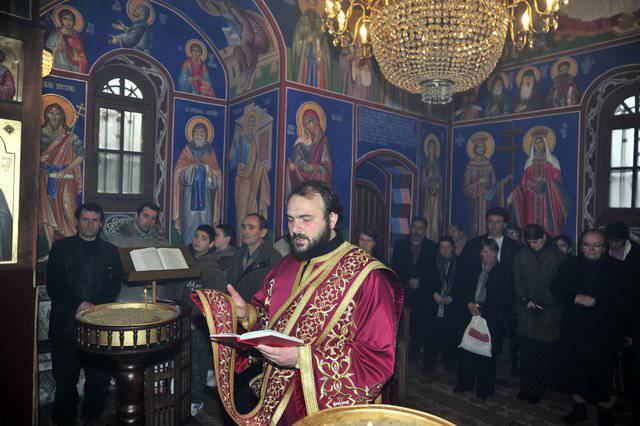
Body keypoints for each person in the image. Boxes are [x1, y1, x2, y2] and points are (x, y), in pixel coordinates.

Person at [192, 180, 403, 424]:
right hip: (274, 396)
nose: (295, 229)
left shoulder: (368, 277)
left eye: (306, 219)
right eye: (291, 219)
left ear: (331, 220)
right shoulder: (287, 264)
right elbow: (268, 318)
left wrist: (301, 358)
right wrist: (245, 314)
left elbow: (376, 360)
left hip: (324, 410)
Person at [46, 203, 121, 425]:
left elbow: (113, 285)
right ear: (77, 222)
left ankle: (92, 417)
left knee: (99, 381)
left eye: (95, 220)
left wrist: (93, 305)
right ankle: (64, 420)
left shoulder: (110, 251)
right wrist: (79, 303)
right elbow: (55, 284)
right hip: (65, 324)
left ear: (101, 224)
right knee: (65, 381)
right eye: (86, 219)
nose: (90, 224)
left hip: (98, 325)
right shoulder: (60, 248)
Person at [551, 229, 627, 425]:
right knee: (577, 371)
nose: (591, 249)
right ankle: (579, 409)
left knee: (604, 374)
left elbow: (627, 301)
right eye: (587, 244)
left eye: (596, 245)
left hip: (605, 332)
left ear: (604, 247)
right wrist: (575, 297)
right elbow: (556, 287)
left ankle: (604, 413)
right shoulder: (570, 264)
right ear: (581, 246)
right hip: (576, 329)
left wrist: (626, 332)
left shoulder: (618, 268)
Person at [165, 224, 224, 416]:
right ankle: (177, 391)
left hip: (197, 323)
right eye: (196, 236)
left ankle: (196, 400)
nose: (198, 240)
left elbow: (214, 298)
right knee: (178, 357)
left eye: (204, 238)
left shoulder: (213, 268)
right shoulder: (184, 259)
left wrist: (198, 319)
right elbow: (174, 286)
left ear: (211, 244)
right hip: (179, 317)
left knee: (197, 362)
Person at [453, 238, 513, 400]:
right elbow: (459, 288)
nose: (489, 256)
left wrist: (483, 309)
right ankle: (465, 383)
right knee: (467, 350)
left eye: (492, 252)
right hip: (469, 314)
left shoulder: (504, 271)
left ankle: (484, 389)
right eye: (485, 252)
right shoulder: (470, 267)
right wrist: (468, 304)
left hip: (492, 318)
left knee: (487, 354)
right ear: (480, 253)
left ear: (497, 253)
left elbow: (505, 297)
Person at [513, 224, 565, 404]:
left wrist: (543, 302)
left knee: (542, 356)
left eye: (536, 241)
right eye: (529, 242)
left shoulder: (557, 256)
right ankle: (526, 387)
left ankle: (538, 389)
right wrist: (524, 299)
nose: (532, 245)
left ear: (544, 237)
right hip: (526, 311)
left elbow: (559, 284)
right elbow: (517, 280)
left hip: (548, 313)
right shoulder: (522, 254)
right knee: (526, 354)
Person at [604, 221, 640, 424]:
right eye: (610, 240)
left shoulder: (636, 255)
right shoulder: (603, 253)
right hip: (609, 318)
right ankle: (612, 400)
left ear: (625, 239)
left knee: (632, 365)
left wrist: (632, 331)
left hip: (633, 319)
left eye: (617, 241)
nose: (613, 244)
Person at [39, 102, 84, 252]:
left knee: (69, 212)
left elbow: (81, 155)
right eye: (50, 113)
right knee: (47, 215)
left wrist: (65, 170)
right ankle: (51, 250)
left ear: (62, 117)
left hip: (65, 180)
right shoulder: (39, 134)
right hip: (45, 177)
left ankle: (71, 251)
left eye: (57, 113)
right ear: (45, 115)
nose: (53, 116)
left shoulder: (70, 136)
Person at [391, 217, 438, 363]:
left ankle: (414, 354)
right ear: (410, 228)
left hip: (424, 294)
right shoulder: (399, 245)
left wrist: (420, 282)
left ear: (425, 230)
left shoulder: (433, 247)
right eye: (415, 227)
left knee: (420, 326)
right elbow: (395, 268)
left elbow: (434, 272)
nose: (417, 231)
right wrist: (408, 280)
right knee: (402, 326)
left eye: (420, 228)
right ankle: (398, 355)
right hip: (404, 292)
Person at [508, 129, 569, 236]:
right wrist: (513, 194)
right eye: (536, 143)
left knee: (547, 230)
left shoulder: (552, 161)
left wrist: (546, 181)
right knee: (531, 228)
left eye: (541, 142)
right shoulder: (529, 162)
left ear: (545, 144)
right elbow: (523, 185)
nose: (538, 145)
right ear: (533, 146)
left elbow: (558, 184)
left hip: (547, 202)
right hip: (531, 201)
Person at [106, 202, 169, 301]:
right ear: (136, 215)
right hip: (128, 295)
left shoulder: (162, 242)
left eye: (153, 218)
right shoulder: (117, 241)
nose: (149, 221)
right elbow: (109, 272)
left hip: (156, 296)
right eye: (146, 216)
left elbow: (169, 273)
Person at [172, 120, 222, 244]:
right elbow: (179, 172)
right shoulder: (187, 150)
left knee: (205, 222)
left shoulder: (210, 151)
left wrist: (205, 168)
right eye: (196, 132)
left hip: (205, 194)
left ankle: (205, 247)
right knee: (189, 222)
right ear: (192, 134)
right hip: (190, 194)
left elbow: (217, 174)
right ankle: (189, 247)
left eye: (202, 132)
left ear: (206, 135)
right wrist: (191, 167)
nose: (199, 135)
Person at [423, 236, 459, 373]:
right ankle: (429, 363)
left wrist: (452, 297)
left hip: (451, 306)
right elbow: (426, 280)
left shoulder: (460, 263)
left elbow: (462, 283)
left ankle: (449, 363)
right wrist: (434, 294)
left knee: (449, 335)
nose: (445, 250)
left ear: (453, 248)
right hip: (433, 303)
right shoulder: (431, 261)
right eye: (442, 247)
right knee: (431, 335)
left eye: (448, 247)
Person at [229, 110, 271, 228]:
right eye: (249, 121)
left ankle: (247, 234)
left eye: (254, 122)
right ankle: (241, 236)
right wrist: (236, 143)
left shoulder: (256, 140)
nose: (251, 124)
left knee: (251, 209)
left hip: (252, 180)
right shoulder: (241, 139)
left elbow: (261, 161)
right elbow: (232, 162)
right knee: (241, 212)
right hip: (241, 178)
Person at [228, 213, 281, 301]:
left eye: (251, 227)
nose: (245, 232)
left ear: (263, 232)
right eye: (243, 227)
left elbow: (274, 292)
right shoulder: (237, 255)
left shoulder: (272, 257)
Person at [285, 106, 332, 197]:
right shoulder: (304, 140)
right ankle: (295, 198)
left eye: (309, 122)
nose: (308, 125)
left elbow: (327, 166)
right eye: (305, 124)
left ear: (315, 122)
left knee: (317, 177)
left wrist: (314, 168)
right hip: (305, 170)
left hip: (316, 171)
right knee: (289, 167)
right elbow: (299, 158)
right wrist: (296, 165)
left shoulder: (323, 140)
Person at [291, 0, 331, 88]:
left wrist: (322, 51)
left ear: (317, 6)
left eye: (314, 5)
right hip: (306, 57)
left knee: (318, 82)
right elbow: (296, 42)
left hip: (318, 58)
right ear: (307, 4)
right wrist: (306, 41)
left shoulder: (320, 22)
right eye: (310, 4)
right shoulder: (302, 20)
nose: (312, 7)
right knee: (307, 80)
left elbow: (325, 44)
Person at [45, 7, 89, 73]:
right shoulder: (54, 36)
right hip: (57, 69)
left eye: (71, 19)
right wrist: (57, 50)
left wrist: (77, 58)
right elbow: (46, 52)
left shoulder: (77, 39)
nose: (69, 21)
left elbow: (83, 60)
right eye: (65, 18)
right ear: (60, 20)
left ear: (74, 21)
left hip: (72, 71)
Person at [421, 135, 443, 241]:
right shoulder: (426, 162)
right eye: (430, 147)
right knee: (428, 215)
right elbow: (423, 180)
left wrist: (437, 183)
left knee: (435, 217)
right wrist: (428, 177)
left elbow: (440, 179)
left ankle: (434, 237)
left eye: (434, 147)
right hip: (427, 195)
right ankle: (427, 236)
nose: (432, 149)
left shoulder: (437, 162)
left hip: (436, 195)